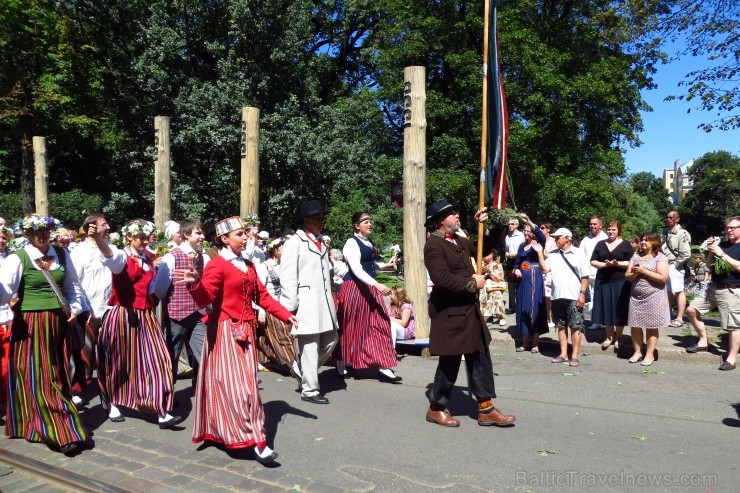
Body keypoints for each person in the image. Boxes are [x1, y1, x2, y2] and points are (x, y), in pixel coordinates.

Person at [175, 216, 297, 463]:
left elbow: (262, 297)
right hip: (224, 334)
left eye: (245, 234)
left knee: (244, 386)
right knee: (239, 389)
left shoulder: (249, 265)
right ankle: (255, 440)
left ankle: (246, 436)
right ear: (224, 239)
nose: (245, 238)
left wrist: (287, 315)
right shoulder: (217, 265)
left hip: (245, 333)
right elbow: (205, 298)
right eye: (239, 234)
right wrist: (195, 284)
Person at [0, 214, 88, 455]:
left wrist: (74, 308)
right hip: (30, 323)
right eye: (36, 231)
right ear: (27, 234)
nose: (42, 234)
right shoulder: (18, 258)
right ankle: (60, 431)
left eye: (46, 230)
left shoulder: (61, 254)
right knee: (40, 375)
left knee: (57, 371)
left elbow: (72, 287)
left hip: (58, 322)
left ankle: (33, 423)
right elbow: (5, 292)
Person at [423, 200, 516, 428]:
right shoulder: (434, 245)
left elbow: (483, 252)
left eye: (456, 212)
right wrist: (473, 283)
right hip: (450, 312)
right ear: (440, 221)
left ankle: (486, 408)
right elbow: (442, 279)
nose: (457, 216)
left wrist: (481, 227)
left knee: (480, 356)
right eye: (452, 214)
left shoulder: (459, 240)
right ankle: (436, 407)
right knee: (450, 361)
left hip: (469, 311)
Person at [90, 219, 182, 428]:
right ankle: (113, 402)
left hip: (146, 315)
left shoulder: (149, 257)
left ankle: (160, 409)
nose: (144, 241)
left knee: (158, 360)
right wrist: (98, 238)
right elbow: (109, 256)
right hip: (123, 314)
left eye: (145, 237)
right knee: (119, 362)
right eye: (139, 237)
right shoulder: (122, 256)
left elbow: (151, 287)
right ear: (129, 237)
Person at [280, 201, 339, 404]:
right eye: (318, 218)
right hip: (305, 303)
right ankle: (310, 389)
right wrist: (289, 308)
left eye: (322, 218)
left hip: (324, 302)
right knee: (310, 346)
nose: (322, 221)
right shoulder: (294, 242)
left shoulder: (321, 240)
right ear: (306, 220)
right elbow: (287, 276)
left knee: (332, 340)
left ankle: (301, 369)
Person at [336, 211, 400, 383]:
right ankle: (342, 361)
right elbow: (356, 269)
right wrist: (376, 284)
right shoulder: (351, 243)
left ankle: (383, 365)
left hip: (369, 288)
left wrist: (383, 265)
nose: (370, 224)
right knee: (351, 326)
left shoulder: (368, 241)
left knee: (380, 323)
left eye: (370, 221)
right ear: (357, 226)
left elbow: (369, 265)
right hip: (355, 289)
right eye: (366, 221)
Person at [152, 219, 209, 384]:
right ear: (186, 234)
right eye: (198, 233)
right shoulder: (171, 256)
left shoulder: (201, 257)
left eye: (202, 233)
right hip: (176, 314)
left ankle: (201, 388)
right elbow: (160, 288)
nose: (202, 236)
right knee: (171, 355)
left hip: (198, 313)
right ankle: (167, 395)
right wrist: (173, 303)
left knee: (204, 352)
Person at [69, 214, 114, 405]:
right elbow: (74, 282)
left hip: (109, 307)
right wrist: (80, 308)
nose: (109, 227)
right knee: (84, 352)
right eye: (104, 225)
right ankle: (75, 389)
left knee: (109, 352)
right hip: (89, 308)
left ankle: (110, 389)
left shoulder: (111, 249)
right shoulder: (79, 252)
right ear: (91, 228)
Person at [685, 216, 740, 370]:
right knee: (691, 310)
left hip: (732, 289)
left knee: (733, 326)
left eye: (732, 228)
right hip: (714, 287)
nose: (728, 230)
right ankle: (703, 342)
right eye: (727, 228)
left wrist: (722, 254)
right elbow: (708, 265)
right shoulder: (723, 244)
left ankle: (731, 359)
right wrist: (711, 250)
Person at [544, 228, 590, 367]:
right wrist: (539, 254)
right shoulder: (552, 254)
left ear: (567, 238)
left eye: (558, 237)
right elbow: (545, 269)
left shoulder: (579, 253)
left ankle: (574, 355)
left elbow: (585, 276)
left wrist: (582, 294)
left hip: (574, 295)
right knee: (561, 325)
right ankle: (563, 353)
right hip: (557, 295)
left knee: (576, 326)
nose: (555, 239)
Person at [254, 236, 298, 374]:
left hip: (283, 307)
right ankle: (295, 367)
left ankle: (262, 360)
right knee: (282, 337)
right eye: (282, 247)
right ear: (275, 249)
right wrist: (260, 310)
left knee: (270, 337)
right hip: (270, 308)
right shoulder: (264, 266)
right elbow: (259, 291)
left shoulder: (284, 265)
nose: (285, 249)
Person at [625, 233, 670, 366]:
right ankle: (637, 352)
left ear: (654, 243)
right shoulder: (636, 256)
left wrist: (643, 271)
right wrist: (635, 272)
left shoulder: (660, 257)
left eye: (647, 240)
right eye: (642, 240)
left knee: (651, 326)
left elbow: (663, 277)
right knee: (635, 325)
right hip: (636, 297)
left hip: (654, 296)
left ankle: (649, 354)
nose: (643, 242)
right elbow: (627, 276)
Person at [590, 220, 633, 351]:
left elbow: (631, 262)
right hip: (603, 281)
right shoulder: (600, 243)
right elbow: (593, 261)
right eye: (609, 229)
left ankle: (619, 337)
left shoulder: (626, 244)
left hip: (620, 281)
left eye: (614, 229)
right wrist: (605, 265)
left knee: (619, 310)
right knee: (606, 308)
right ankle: (609, 337)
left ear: (619, 230)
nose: (611, 231)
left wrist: (617, 263)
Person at [511, 214, 548, 353]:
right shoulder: (521, 246)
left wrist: (528, 221)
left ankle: (535, 344)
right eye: (525, 230)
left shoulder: (538, 244)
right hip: (522, 280)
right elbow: (517, 261)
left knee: (534, 307)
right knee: (523, 307)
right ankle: (525, 342)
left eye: (529, 231)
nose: (526, 233)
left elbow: (541, 235)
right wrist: (516, 269)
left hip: (534, 278)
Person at [662, 211, 692, 327]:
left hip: (676, 266)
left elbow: (686, 254)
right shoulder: (666, 232)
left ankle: (679, 318)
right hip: (665, 265)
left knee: (678, 291)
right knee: (667, 291)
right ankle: (667, 316)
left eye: (671, 217)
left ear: (677, 219)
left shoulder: (682, 233)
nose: (668, 219)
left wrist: (675, 264)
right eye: (667, 217)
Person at [581, 215, 607, 323]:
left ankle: (603, 322)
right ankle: (594, 321)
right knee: (591, 299)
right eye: (591, 224)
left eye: (595, 224)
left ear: (600, 225)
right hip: (589, 274)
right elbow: (581, 256)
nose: (592, 226)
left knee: (602, 298)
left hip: (603, 273)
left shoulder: (605, 238)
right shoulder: (586, 239)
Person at [0, 226, 14, 407]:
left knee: (6, 358)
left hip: (6, 313)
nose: (2, 240)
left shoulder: (10, 259)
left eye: (4, 237)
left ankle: (5, 395)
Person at [479, 250, 508, 326]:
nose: (484, 256)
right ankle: (484, 316)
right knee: (483, 293)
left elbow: (498, 279)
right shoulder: (481, 264)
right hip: (484, 288)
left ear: (492, 255)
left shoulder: (497, 265)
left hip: (495, 287)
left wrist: (489, 271)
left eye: (486, 254)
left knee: (496, 294)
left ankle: (501, 317)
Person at [504, 217, 525, 314]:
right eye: (509, 224)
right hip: (510, 261)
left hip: (520, 261)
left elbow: (524, 248)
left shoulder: (522, 235)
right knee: (511, 284)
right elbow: (506, 249)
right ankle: (512, 307)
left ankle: (522, 304)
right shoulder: (507, 236)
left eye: (512, 224)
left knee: (520, 282)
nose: (510, 226)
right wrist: (507, 253)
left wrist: (517, 254)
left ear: (517, 225)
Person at [540, 222, 556, 328]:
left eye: (542, 228)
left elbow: (554, 254)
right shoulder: (539, 241)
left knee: (551, 296)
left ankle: (553, 317)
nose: (541, 229)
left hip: (551, 270)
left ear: (548, 229)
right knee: (544, 296)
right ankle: (546, 317)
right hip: (541, 270)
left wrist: (542, 254)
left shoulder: (553, 241)